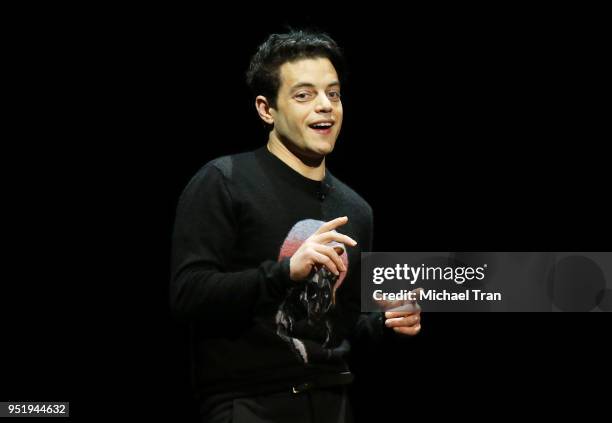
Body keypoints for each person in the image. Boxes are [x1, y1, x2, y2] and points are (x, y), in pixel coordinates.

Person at [170, 29, 421, 423]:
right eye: (304, 95)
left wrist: (388, 322)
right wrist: (285, 273)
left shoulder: (356, 209)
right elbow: (187, 295)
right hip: (249, 403)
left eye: (333, 94)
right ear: (266, 109)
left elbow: (343, 327)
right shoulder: (224, 180)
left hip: (333, 402)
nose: (325, 106)